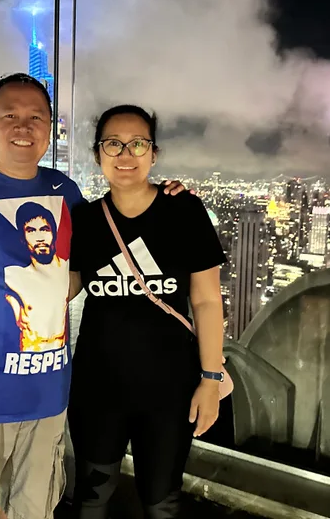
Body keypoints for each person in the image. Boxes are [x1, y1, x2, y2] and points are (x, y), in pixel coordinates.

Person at [0, 74, 190, 519]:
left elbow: (84, 264)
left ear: (50, 129)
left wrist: (168, 197)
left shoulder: (67, 193)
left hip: (49, 398)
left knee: (36, 509)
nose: (22, 127)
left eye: (35, 117)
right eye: (10, 116)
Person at [67, 105, 227, 519]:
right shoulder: (82, 220)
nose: (126, 154)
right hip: (97, 386)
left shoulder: (185, 212)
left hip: (169, 390)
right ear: (98, 153)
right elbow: (61, 291)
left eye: (137, 144)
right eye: (113, 144)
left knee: (162, 502)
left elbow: (207, 300)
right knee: (91, 498)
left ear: (153, 153)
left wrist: (210, 379)